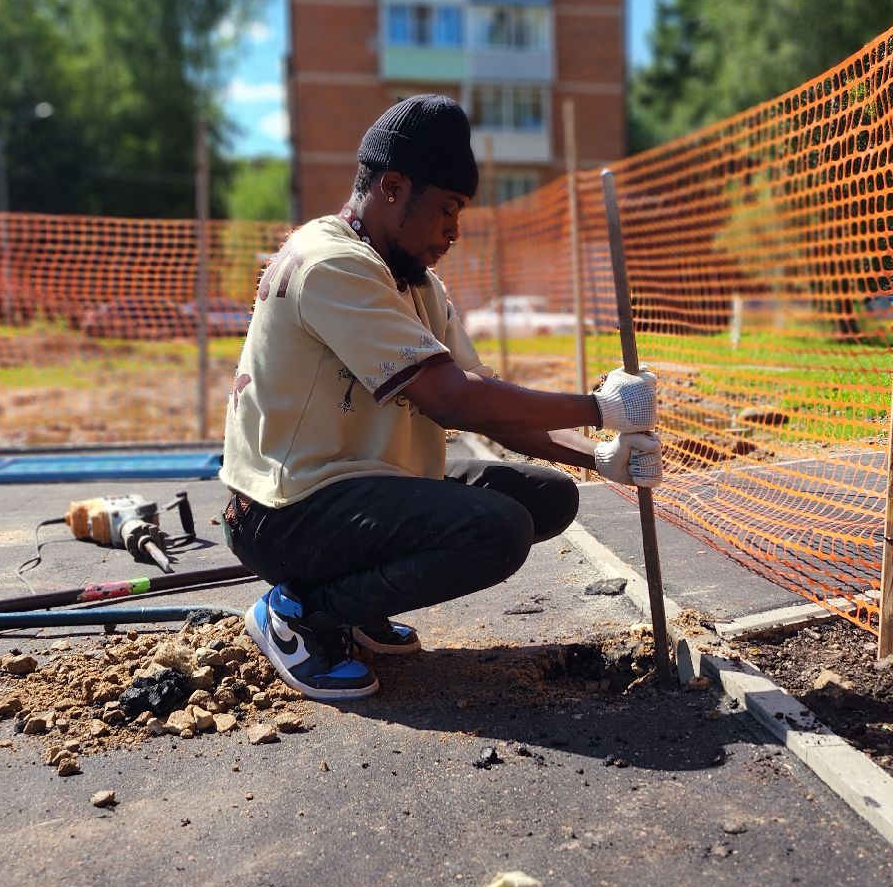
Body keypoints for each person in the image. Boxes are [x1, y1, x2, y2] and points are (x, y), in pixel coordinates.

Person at [220, 94, 662, 701]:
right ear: (393, 187)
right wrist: (599, 407)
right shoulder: (330, 264)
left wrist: (600, 456)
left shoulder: (414, 281)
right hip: (284, 511)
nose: (454, 231)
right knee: (495, 530)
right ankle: (300, 613)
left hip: (354, 485)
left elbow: (486, 401)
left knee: (548, 497)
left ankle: (355, 606)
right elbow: (453, 401)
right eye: (447, 209)